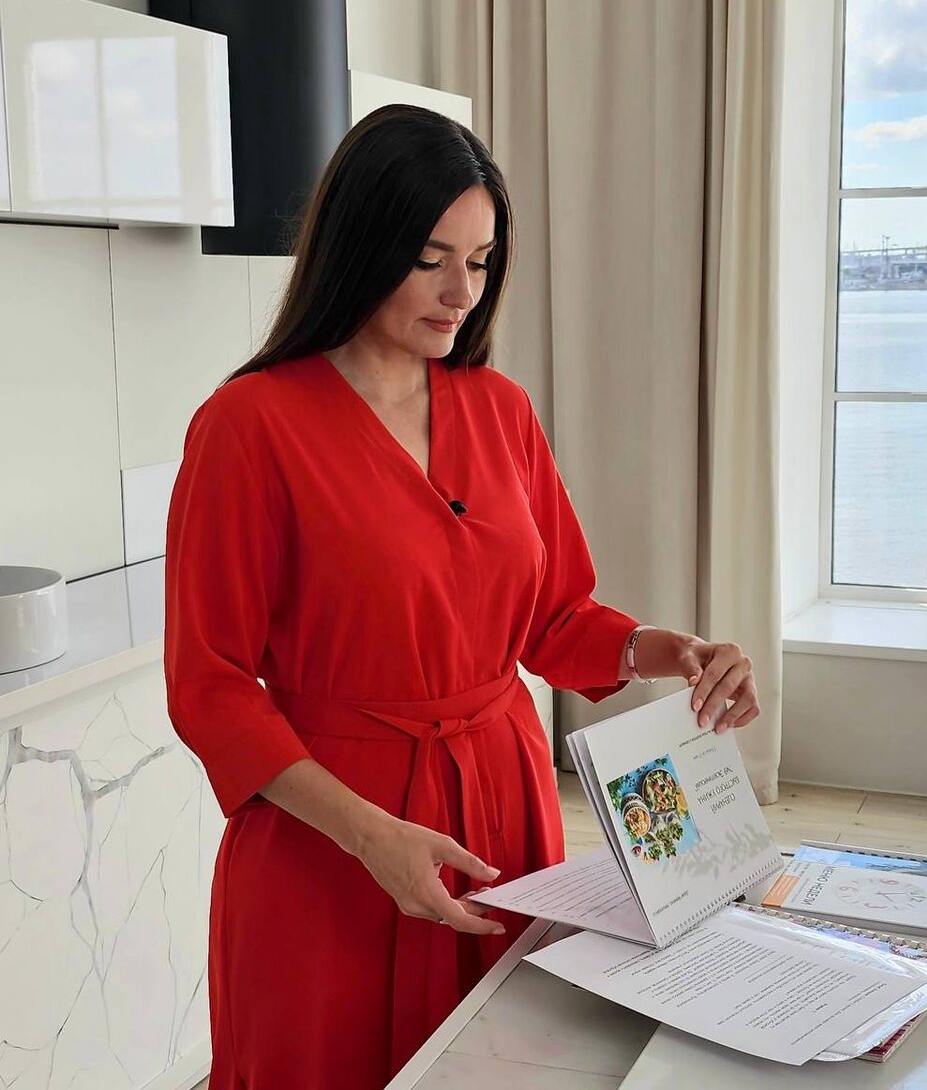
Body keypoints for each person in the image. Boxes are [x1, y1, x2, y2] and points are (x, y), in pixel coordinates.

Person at [164, 104, 760, 1089]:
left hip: (500, 812)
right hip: (331, 839)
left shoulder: (500, 408)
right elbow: (210, 685)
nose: (461, 294)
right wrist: (370, 836)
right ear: (358, 248)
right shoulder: (249, 426)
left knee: (504, 1063)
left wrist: (674, 651)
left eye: (480, 262)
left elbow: (553, 619)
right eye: (430, 259)